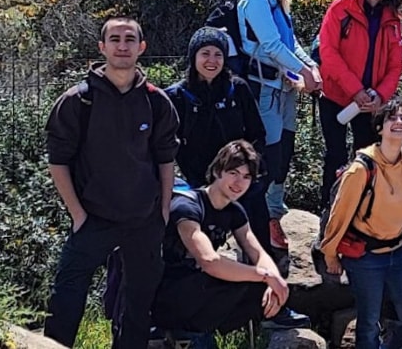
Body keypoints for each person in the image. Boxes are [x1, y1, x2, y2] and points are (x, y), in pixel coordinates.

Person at [44, 17, 179, 349]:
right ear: (102, 47)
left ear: (141, 47)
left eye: (129, 39)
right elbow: (57, 161)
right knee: (66, 296)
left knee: (137, 305)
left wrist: (162, 210)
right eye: (115, 39)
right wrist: (78, 215)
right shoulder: (79, 101)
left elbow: (165, 159)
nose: (122, 45)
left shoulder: (156, 101)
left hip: (143, 220)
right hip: (93, 217)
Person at [152, 141, 290, 348]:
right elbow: (209, 261)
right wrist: (266, 276)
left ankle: (200, 334)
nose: (239, 182)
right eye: (233, 173)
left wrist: (275, 280)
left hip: (199, 294)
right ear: (217, 171)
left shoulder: (234, 211)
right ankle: (180, 334)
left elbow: (258, 253)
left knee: (259, 285)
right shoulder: (187, 207)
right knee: (257, 278)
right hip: (165, 292)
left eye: (246, 177)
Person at [320, 103, 402, 349]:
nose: (399, 122)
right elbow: (339, 214)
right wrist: (330, 254)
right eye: (392, 118)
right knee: (369, 323)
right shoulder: (361, 169)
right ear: (380, 128)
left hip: (400, 251)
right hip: (366, 256)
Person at [236, 0, 322, 250]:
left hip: (282, 86)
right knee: (270, 151)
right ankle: (263, 218)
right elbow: (270, 45)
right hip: (266, 88)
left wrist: (311, 66)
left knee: (284, 148)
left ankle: (274, 209)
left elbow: (290, 42)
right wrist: (304, 72)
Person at [164, 27, 270, 251]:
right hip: (197, 184)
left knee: (256, 225)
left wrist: (248, 171)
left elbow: (257, 134)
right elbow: (163, 147)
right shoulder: (177, 97)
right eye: (205, 53)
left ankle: (263, 272)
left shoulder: (237, 89)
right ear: (193, 57)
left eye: (218, 54)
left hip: (239, 178)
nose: (212, 60)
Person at [317, 0, 402, 208]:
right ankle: (330, 209)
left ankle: (358, 210)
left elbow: (395, 66)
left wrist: (380, 96)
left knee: (365, 157)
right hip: (335, 98)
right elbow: (328, 54)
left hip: (370, 104)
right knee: (335, 155)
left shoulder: (393, 21)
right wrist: (354, 90)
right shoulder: (340, 8)